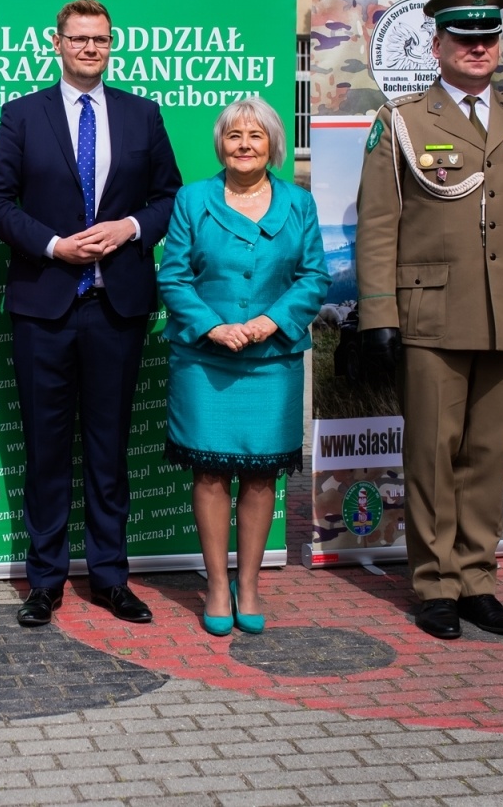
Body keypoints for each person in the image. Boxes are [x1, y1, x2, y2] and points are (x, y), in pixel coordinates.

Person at [354, 0, 503, 641]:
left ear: (498, 45)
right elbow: (378, 225)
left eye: (487, 38)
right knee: (431, 455)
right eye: (464, 39)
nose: (478, 49)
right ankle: (435, 586)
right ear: (438, 47)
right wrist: (379, 314)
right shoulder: (402, 120)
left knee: (488, 456)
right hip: (432, 317)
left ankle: (478, 581)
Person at [0, 0, 182, 629]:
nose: (90, 48)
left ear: (110, 45)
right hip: (44, 307)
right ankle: (45, 581)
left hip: (116, 308)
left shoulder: (142, 115)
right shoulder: (22, 115)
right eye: (78, 39)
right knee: (44, 451)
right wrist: (52, 245)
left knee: (107, 449)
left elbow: (170, 196)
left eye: (100, 39)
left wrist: (128, 228)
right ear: (57, 43)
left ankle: (111, 578)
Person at [156, 97, 329, 635]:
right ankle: (215, 584)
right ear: (221, 144)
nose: (245, 145)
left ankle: (248, 584)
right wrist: (214, 327)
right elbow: (173, 277)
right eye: (235, 136)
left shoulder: (299, 203)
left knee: (260, 474)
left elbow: (314, 277)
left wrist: (269, 322)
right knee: (209, 473)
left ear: (273, 144)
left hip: (272, 360)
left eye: (256, 135)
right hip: (204, 359)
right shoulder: (192, 199)